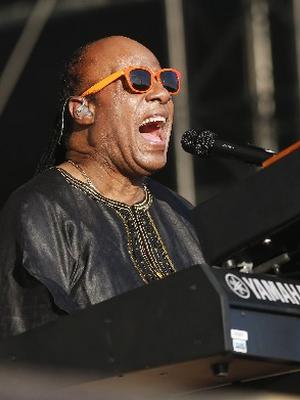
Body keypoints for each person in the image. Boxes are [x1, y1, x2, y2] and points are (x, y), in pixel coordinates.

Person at [0, 36, 204, 339]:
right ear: (83, 109)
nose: (161, 94)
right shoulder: (40, 209)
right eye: (139, 80)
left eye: (166, 81)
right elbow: (34, 350)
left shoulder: (181, 212)